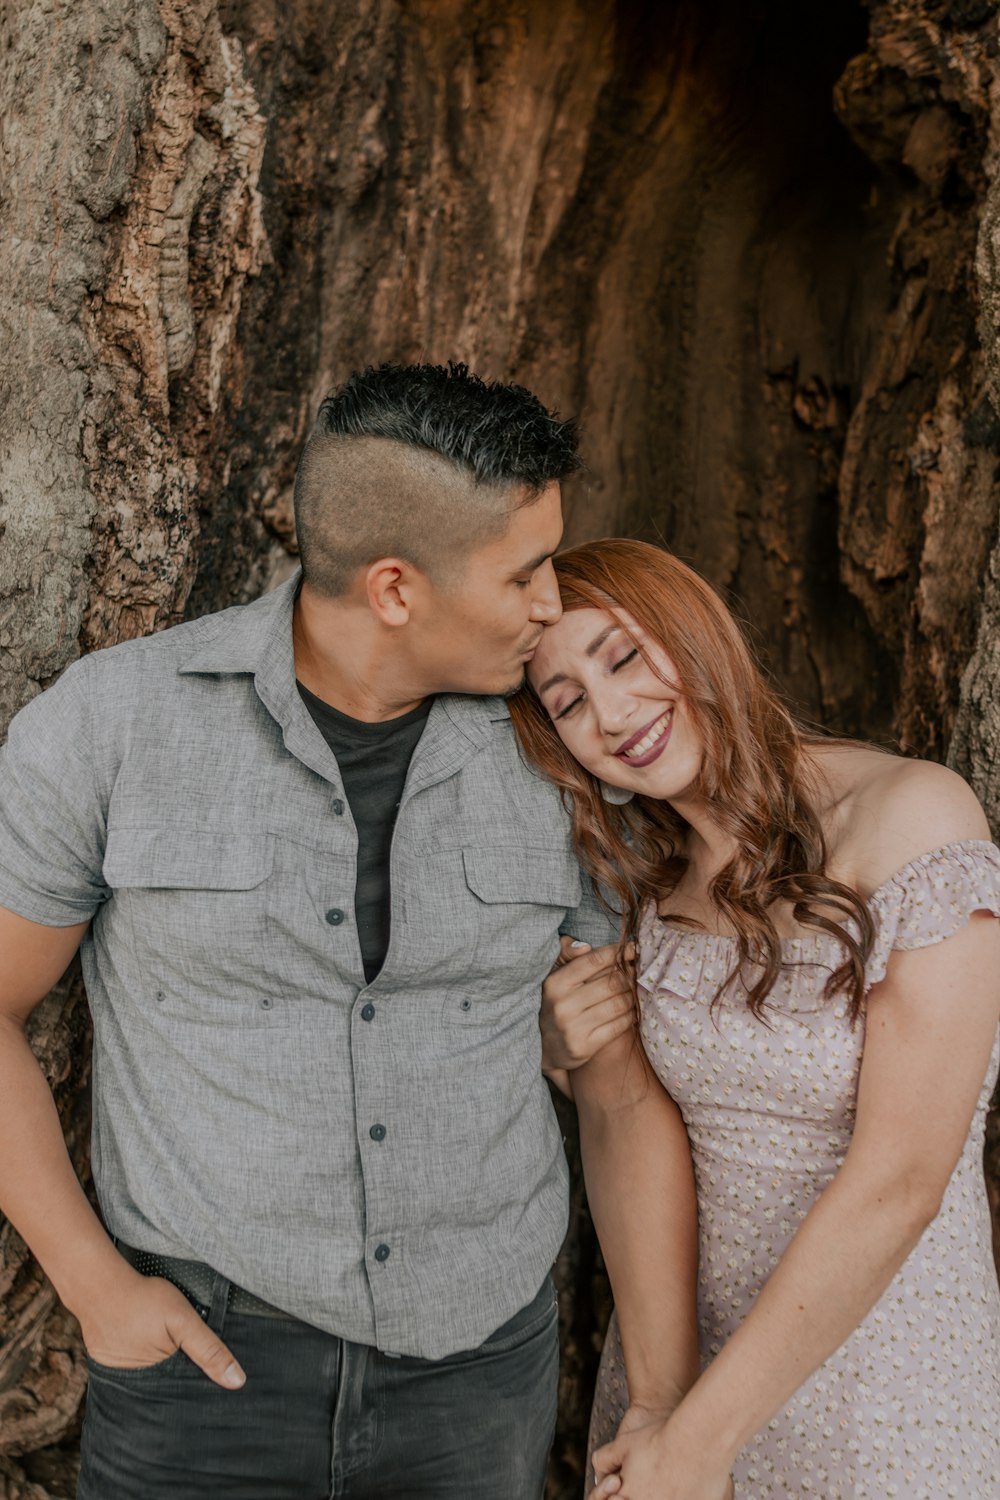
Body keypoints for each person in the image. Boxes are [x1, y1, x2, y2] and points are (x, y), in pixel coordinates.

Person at [0, 362, 660, 1500]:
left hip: (480, 1378)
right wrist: (93, 1287)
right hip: (202, 1378)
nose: (554, 603)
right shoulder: (113, 728)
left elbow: (618, 1084)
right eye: (523, 574)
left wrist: (658, 1396)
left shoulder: (562, 749)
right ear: (396, 589)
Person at [510, 536, 1000, 1500]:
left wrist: (705, 1440)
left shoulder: (914, 817)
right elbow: (623, 1117)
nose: (610, 715)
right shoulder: (625, 878)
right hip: (672, 1359)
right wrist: (660, 1407)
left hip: (883, 1385)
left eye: (621, 656)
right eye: (566, 703)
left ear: (694, 631)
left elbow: (900, 1180)